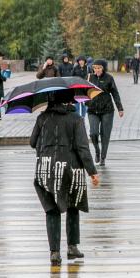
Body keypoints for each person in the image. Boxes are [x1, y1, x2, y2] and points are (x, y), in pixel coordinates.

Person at [30, 90, 100, 266]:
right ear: (69, 101)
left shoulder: (42, 118)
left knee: (51, 210)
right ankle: (72, 247)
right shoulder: (76, 119)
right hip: (70, 169)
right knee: (72, 206)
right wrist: (92, 172)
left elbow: (32, 142)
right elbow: (83, 148)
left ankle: (54, 252)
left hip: (45, 169)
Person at [87, 59, 124, 166]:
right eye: (95, 68)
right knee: (93, 133)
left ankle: (103, 157)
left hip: (107, 110)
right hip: (92, 110)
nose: (96, 70)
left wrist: (120, 108)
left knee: (105, 135)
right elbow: (83, 91)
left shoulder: (109, 78)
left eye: (99, 68)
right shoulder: (90, 77)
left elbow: (115, 93)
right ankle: (97, 151)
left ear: (103, 68)